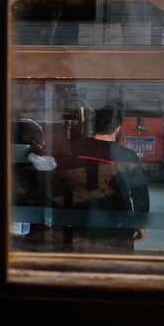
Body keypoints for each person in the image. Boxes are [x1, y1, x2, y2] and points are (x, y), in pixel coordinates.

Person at [56, 106, 150, 253]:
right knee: (116, 271)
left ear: (94, 126)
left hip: (82, 224)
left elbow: (63, 183)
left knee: (86, 271)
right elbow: (140, 193)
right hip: (118, 226)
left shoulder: (76, 148)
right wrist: (140, 223)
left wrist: (66, 215)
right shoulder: (126, 155)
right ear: (118, 129)